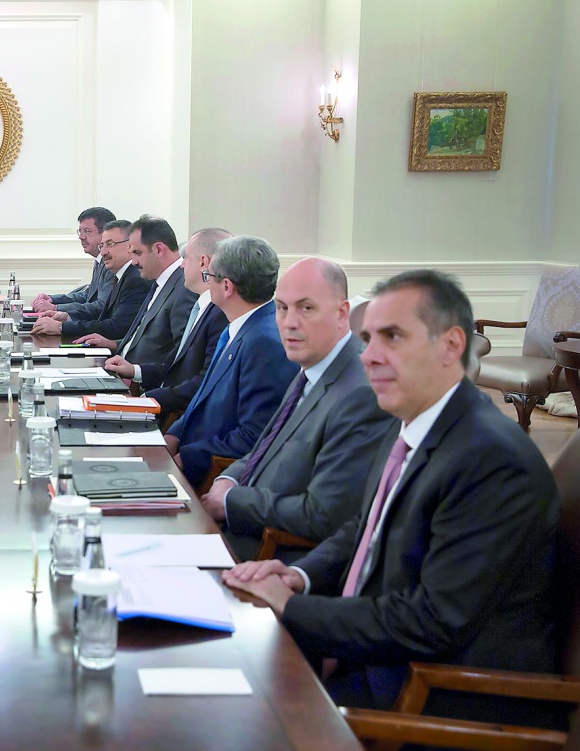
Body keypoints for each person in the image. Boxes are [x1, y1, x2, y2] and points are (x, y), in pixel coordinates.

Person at [223, 269, 561, 725]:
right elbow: (366, 531)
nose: (369, 356)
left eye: (393, 337)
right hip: (377, 656)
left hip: (431, 698)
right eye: (368, 339)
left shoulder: (491, 460)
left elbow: (433, 621)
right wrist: (297, 577)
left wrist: (293, 607)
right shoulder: (412, 420)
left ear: (451, 345)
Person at [199, 257, 390, 562]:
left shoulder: (361, 394)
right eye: (282, 308)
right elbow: (265, 448)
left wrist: (232, 501)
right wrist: (228, 479)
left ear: (342, 314)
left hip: (267, 557)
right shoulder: (310, 367)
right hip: (234, 533)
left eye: (306, 308)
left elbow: (323, 514)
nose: (289, 322)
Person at [164, 235, 296, 484]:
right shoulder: (239, 327)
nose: (207, 282)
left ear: (226, 286)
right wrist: (174, 434)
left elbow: (254, 434)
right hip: (187, 452)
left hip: (209, 476)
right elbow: (205, 395)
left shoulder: (264, 343)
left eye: (209, 276)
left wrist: (186, 458)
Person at [103, 228, 231, 417]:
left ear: (203, 263)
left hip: (174, 410)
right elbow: (177, 363)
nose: (182, 265)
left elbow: (203, 381)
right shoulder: (201, 306)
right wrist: (135, 370)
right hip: (160, 398)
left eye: (186, 258)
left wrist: (148, 399)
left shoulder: (217, 313)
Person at [75, 215, 197, 367]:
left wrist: (136, 371)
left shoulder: (184, 289)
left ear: (159, 249)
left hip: (141, 379)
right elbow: (146, 338)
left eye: (137, 253)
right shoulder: (158, 281)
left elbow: (180, 359)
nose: (133, 262)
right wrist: (113, 344)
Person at [29, 220, 149, 339]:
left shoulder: (135, 280)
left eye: (110, 244)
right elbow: (101, 314)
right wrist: (66, 316)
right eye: (102, 246)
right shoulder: (121, 275)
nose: (103, 252)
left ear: (129, 245)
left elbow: (116, 327)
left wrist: (61, 327)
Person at [30, 207, 117, 315]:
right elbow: (88, 295)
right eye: (80, 231)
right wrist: (52, 299)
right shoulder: (99, 261)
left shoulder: (112, 264)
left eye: (87, 231)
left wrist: (56, 308)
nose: (81, 237)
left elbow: (101, 306)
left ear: (105, 233)